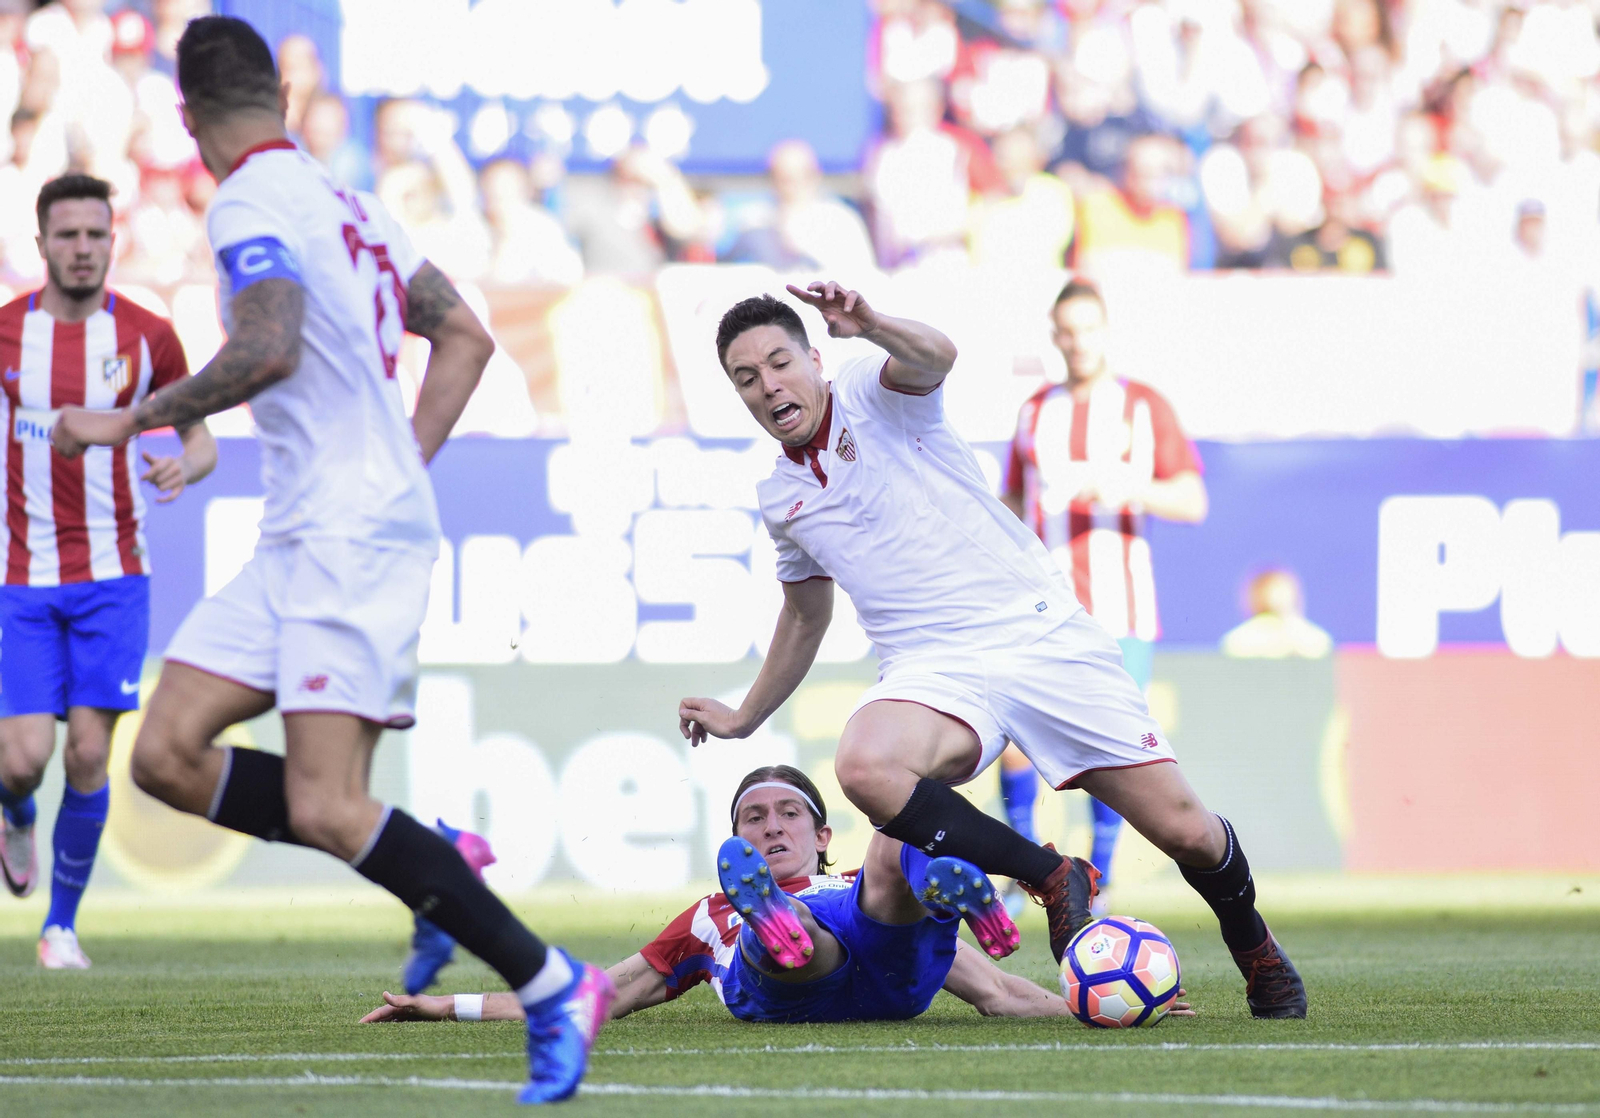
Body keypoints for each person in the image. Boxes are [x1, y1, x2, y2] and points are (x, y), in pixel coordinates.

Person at [47, 17, 610, 1104]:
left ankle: (551, 981)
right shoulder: (352, 207)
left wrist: (132, 420)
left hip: (346, 533)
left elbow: (269, 343)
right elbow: (464, 335)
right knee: (162, 751)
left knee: (325, 807)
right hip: (305, 531)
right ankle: (430, 845)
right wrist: (403, 460)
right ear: (286, 99)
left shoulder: (249, 201)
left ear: (188, 119)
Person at [675, 282, 1304, 1019]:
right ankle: (1052, 876)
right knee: (864, 765)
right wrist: (746, 716)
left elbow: (937, 355)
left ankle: (1253, 944)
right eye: (746, 378)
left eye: (779, 362)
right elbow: (805, 615)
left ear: (814, 356)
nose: (768, 385)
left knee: (1185, 831)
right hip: (929, 667)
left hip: (1034, 632)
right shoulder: (781, 497)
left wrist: (871, 322)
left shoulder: (867, 389)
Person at [363, 767, 1186, 1026]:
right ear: (737, 847)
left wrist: (1102, 1008)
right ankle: (782, 927)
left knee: (895, 839)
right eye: (751, 819)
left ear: (821, 833)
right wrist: (444, 1009)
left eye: (790, 812)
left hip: (876, 954)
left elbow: (1000, 992)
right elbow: (600, 994)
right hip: (798, 971)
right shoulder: (703, 916)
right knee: (793, 936)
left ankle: (942, 894)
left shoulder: (847, 872)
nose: (771, 826)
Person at [0, 172, 214, 969]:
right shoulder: (6, 334)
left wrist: (178, 471)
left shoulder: (149, 337)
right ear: (41, 244)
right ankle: (14, 809)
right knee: (21, 759)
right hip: (21, 576)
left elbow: (202, 443)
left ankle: (60, 927)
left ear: (112, 240)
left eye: (96, 234)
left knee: (88, 755)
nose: (83, 249)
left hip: (116, 576)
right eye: (68, 235)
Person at [1001, 276, 1207, 911]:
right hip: (1041, 607)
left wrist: (1130, 487)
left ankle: (1103, 876)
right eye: (1067, 330)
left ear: (1105, 332)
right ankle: (1025, 869)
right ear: (1055, 336)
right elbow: (1011, 503)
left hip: (1121, 607)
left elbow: (1193, 499)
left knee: (1112, 749)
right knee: (1007, 737)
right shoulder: (1035, 411)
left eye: (1089, 328)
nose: (1078, 341)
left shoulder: (1144, 407)